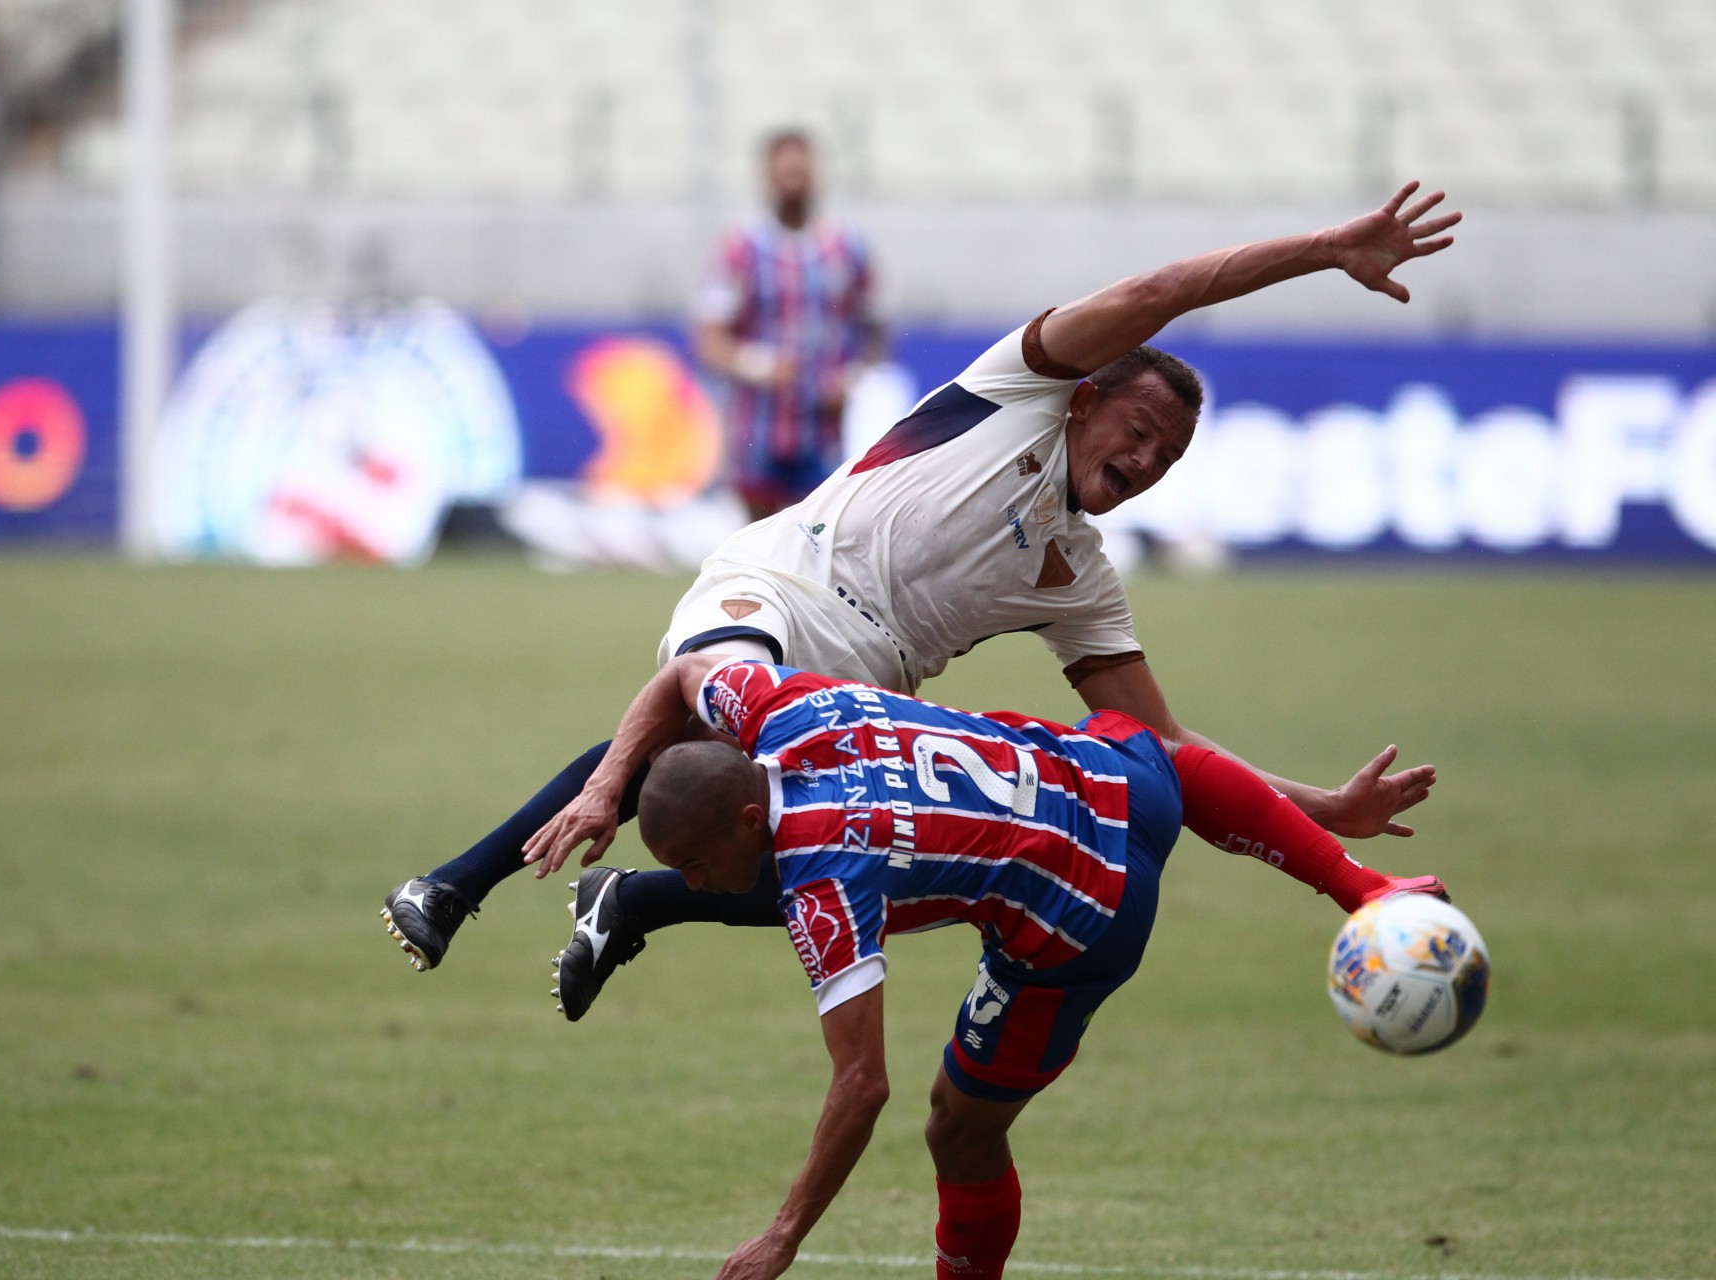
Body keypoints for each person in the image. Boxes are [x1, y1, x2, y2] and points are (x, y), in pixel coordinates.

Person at [380, 182, 1461, 1021]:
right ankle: (451, 887)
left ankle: (634, 900)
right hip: (785, 580)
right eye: (1138, 431)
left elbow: (1167, 750)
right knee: (703, 708)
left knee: (858, 867)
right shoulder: (1019, 387)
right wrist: (1322, 250)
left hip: (867, 684)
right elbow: (1162, 294)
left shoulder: (1079, 578)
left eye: (1168, 458)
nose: (1146, 461)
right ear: (1086, 400)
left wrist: (1319, 809)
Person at [524, 654, 1449, 1279]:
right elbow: (686, 672)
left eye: (694, 864)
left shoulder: (822, 879)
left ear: (746, 818)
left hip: (1082, 923)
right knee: (1150, 745)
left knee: (958, 1129)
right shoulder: (782, 707)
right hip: (1115, 782)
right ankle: (1365, 889)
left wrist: (783, 1236)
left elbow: (861, 1084)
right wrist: (606, 785)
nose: (693, 883)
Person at [693, 129, 886, 520]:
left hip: (824, 429)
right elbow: (710, 339)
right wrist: (757, 365)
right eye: (784, 172)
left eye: (800, 171)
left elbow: (875, 329)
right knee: (757, 538)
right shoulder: (739, 248)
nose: (792, 181)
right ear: (767, 177)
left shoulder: (847, 247)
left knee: (819, 534)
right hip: (758, 427)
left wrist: (852, 378)